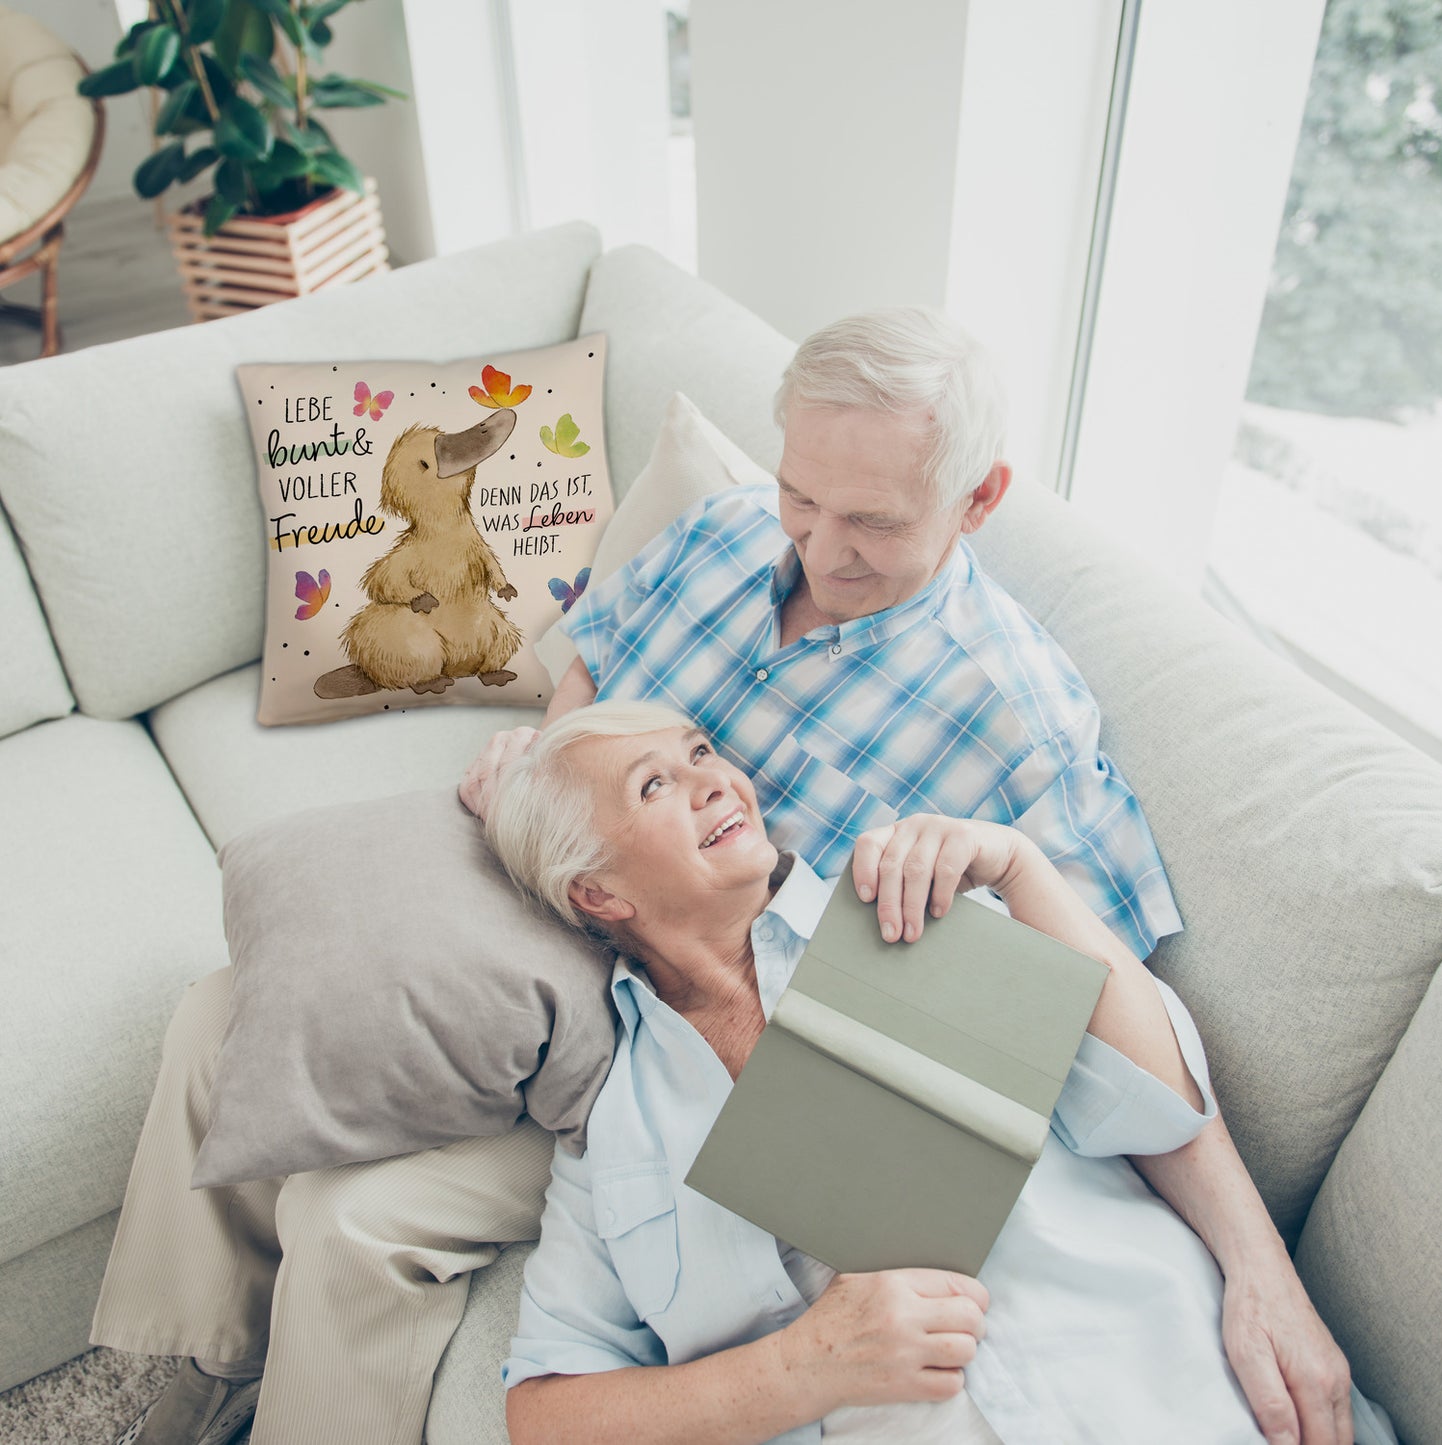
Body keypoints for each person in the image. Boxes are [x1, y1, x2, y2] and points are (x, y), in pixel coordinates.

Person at [94, 309, 1348, 1445]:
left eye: (871, 520)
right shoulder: (726, 532)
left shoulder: (1016, 724)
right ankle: (193, 1363)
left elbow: (1103, 1020)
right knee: (229, 1008)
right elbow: (595, 667)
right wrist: (546, 764)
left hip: (692, 1012)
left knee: (355, 1218)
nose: (818, 545)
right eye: (804, 495)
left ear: (976, 501)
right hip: (581, 886)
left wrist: (1260, 1267)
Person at [486, 700, 1377, 1445]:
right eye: (655, 785)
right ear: (597, 893)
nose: (714, 779)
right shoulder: (614, 1132)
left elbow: (1158, 1105)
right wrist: (800, 1367)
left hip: (1173, 1387)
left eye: (700, 753)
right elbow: (545, 1410)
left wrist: (1020, 868)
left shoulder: (908, 905)